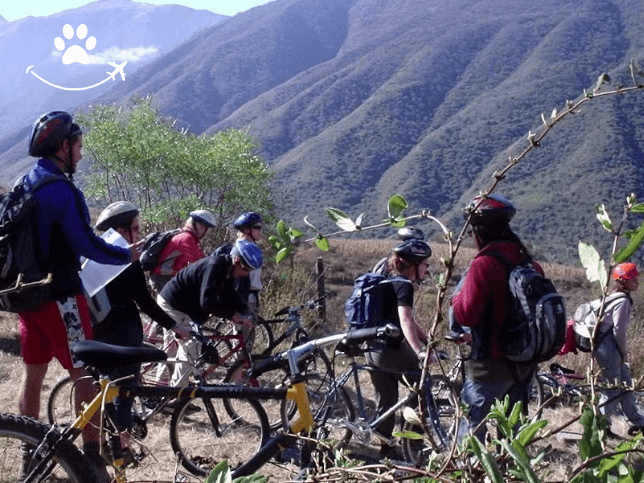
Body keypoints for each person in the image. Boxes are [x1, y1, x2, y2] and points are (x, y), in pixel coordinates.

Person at [18, 111, 143, 478]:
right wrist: (127, 254)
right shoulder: (62, 190)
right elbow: (86, 244)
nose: (82, 154)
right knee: (83, 373)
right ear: (64, 147)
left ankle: (29, 450)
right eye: (79, 146)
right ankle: (92, 457)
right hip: (62, 297)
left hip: (28, 296)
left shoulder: (26, 182)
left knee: (33, 376)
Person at [92, 202, 190, 447]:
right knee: (125, 392)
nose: (139, 232)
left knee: (102, 390)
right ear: (123, 230)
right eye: (136, 227)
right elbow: (144, 301)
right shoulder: (127, 256)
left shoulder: (96, 253)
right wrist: (174, 326)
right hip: (124, 333)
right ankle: (121, 447)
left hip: (96, 331)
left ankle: (99, 444)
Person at [451, 193, 542, 442]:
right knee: (513, 434)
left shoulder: (484, 263)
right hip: (525, 363)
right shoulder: (530, 264)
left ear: (478, 232)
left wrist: (455, 298)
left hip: (489, 363)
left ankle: (468, 475)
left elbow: (466, 313)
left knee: (471, 430)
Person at [157, 239, 261, 388]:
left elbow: (229, 294)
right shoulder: (214, 266)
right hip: (173, 305)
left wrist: (245, 311)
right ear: (237, 260)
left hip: (185, 307)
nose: (246, 274)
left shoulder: (227, 269)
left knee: (174, 350)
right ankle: (175, 397)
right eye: (246, 269)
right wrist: (232, 315)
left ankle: (159, 391)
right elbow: (207, 302)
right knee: (190, 347)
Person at [363, 238, 432, 459]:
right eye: (425, 264)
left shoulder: (387, 281)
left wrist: (425, 339)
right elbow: (405, 320)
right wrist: (419, 350)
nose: (427, 268)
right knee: (421, 386)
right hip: (388, 350)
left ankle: (387, 451)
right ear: (413, 265)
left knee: (386, 400)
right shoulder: (403, 284)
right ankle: (414, 443)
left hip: (371, 348)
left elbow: (406, 320)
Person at [593, 262, 644, 435]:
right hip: (609, 349)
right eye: (633, 278)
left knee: (626, 384)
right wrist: (624, 353)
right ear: (624, 281)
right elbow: (619, 331)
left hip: (607, 347)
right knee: (612, 388)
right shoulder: (622, 301)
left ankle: (636, 420)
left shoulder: (612, 295)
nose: (637, 281)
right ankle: (601, 426)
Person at [149, 209, 217, 293]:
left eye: (207, 228)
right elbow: (199, 261)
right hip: (162, 277)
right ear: (193, 224)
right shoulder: (186, 238)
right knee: (169, 304)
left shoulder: (190, 237)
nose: (205, 231)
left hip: (170, 276)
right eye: (201, 226)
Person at [232, 212, 264, 318]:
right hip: (245, 296)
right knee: (245, 333)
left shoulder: (251, 247)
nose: (260, 230)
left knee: (249, 331)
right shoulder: (241, 249)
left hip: (251, 295)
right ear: (247, 230)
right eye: (257, 227)